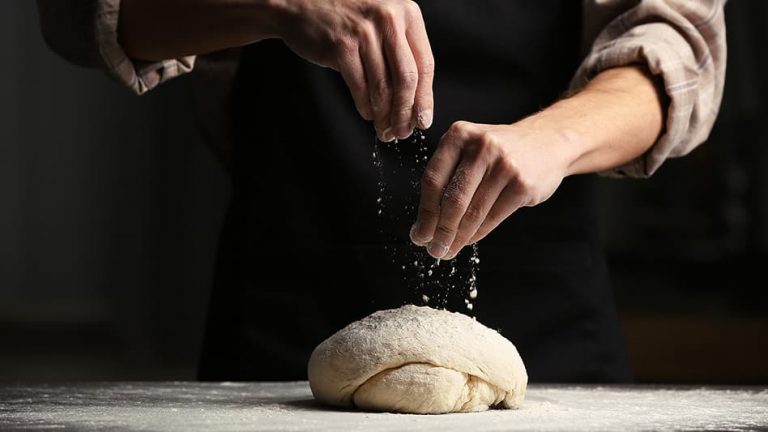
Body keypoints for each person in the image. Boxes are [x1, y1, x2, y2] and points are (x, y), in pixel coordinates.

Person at [36, 0, 726, 382]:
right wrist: (275, 4)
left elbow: (676, 40)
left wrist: (557, 139)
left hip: (545, 319)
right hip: (284, 317)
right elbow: (83, 17)